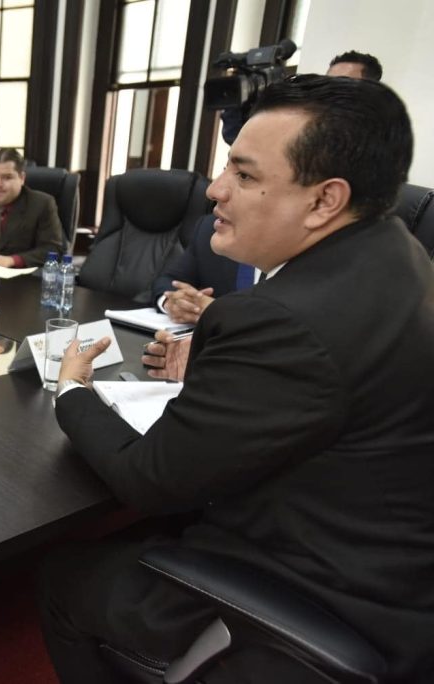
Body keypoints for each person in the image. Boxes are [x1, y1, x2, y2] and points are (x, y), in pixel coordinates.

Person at [41, 76, 434, 682]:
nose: (215, 190)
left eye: (245, 176)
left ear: (325, 201)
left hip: (332, 600)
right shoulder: (402, 254)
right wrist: (227, 370)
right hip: (396, 568)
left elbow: (148, 479)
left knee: (62, 578)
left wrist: (72, 387)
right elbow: (328, 382)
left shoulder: (279, 321)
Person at [221, 49, 382, 144]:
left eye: (343, 82)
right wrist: (237, 104)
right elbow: (243, 141)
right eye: (328, 81)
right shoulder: (308, 118)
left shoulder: (373, 138)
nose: (331, 88)